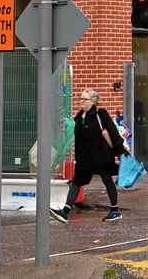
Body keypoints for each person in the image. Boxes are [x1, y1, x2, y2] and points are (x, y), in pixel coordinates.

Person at [51, 88, 125, 223]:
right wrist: (78, 158)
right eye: (80, 99)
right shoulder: (79, 118)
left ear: (93, 101)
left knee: (107, 180)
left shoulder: (100, 114)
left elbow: (113, 133)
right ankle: (65, 211)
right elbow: (78, 141)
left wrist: (119, 153)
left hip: (101, 156)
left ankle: (115, 210)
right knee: (77, 182)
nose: (81, 102)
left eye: (84, 99)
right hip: (85, 159)